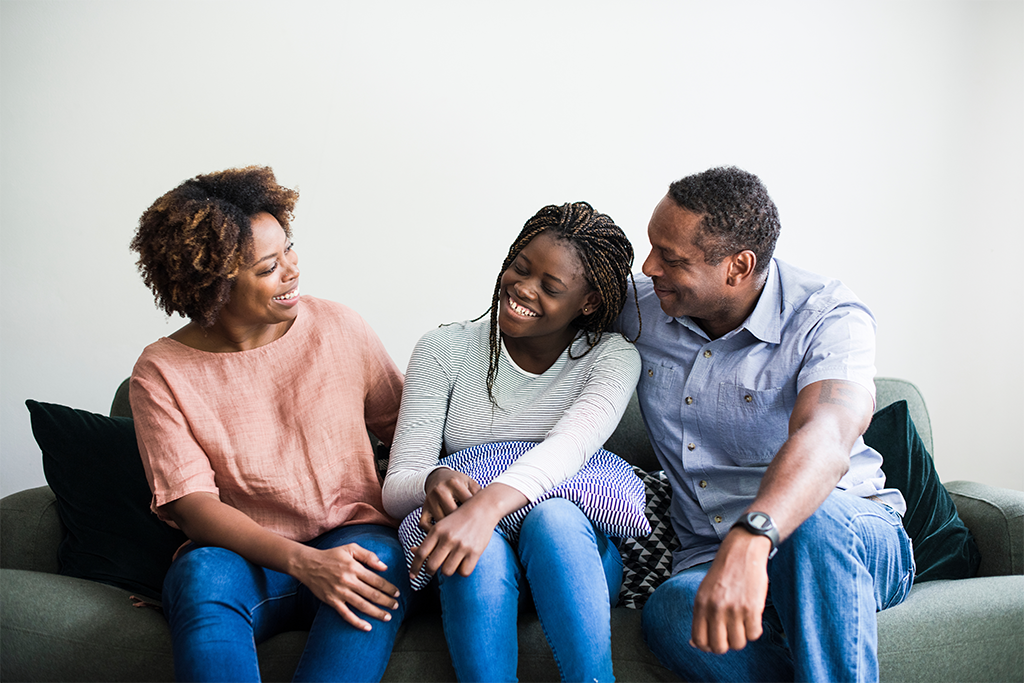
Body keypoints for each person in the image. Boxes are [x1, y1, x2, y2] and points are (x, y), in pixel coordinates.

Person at [617, 166, 915, 683]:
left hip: (846, 535)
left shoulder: (829, 317)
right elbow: (544, 300)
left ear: (738, 266)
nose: (649, 267)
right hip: (707, 554)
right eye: (651, 248)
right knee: (669, 611)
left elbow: (826, 436)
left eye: (671, 258)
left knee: (814, 526)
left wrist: (752, 537)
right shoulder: (644, 307)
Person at [128, 166, 409, 683]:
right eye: (267, 267)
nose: (292, 270)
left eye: (290, 250)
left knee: (376, 562)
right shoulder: (160, 372)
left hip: (355, 538)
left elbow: (410, 434)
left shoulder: (340, 328)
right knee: (199, 574)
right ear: (214, 285)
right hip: (242, 560)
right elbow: (193, 507)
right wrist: (303, 563)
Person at [382, 201, 642, 683]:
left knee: (555, 516)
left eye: (551, 286)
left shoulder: (611, 359)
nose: (523, 288)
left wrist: (483, 509)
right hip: (474, 562)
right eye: (519, 268)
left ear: (587, 303)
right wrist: (434, 479)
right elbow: (396, 487)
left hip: (573, 563)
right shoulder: (444, 350)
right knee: (475, 550)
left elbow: (567, 450)